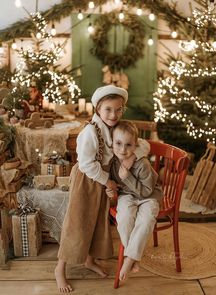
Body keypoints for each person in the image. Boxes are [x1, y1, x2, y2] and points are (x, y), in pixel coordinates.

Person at [55, 85, 149, 292]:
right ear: (98, 109)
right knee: (78, 223)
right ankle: (60, 269)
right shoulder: (90, 131)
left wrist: (130, 158)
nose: (113, 114)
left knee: (97, 222)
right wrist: (107, 181)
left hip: (103, 182)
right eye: (108, 109)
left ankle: (90, 260)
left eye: (118, 109)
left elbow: (141, 144)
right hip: (87, 181)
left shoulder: (116, 127)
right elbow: (87, 164)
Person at [106, 120, 163, 282]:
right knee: (123, 219)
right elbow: (114, 183)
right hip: (127, 195)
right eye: (118, 143)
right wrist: (111, 189)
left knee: (145, 221)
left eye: (128, 145)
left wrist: (127, 177)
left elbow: (146, 192)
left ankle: (129, 259)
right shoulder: (113, 161)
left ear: (135, 145)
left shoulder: (142, 164)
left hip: (149, 196)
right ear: (112, 142)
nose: (123, 150)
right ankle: (135, 257)